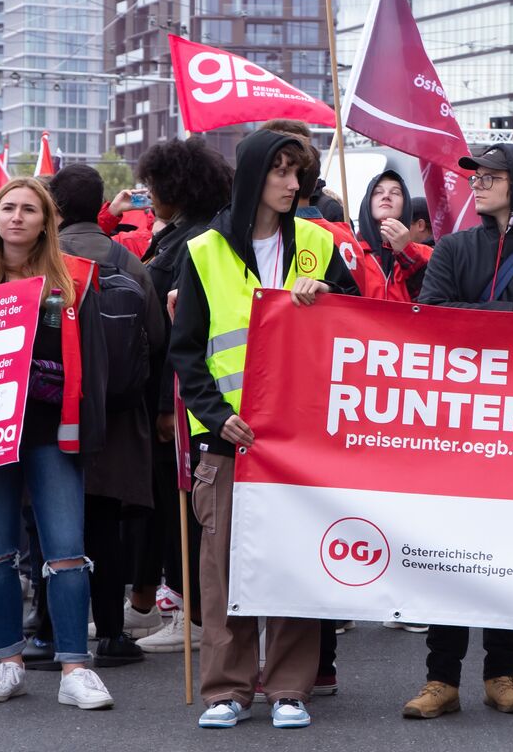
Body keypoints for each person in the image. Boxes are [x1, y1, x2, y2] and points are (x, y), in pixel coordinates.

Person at [172, 129, 359, 730]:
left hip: (299, 439)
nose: (291, 183)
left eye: (297, 172)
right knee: (222, 567)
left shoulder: (317, 242)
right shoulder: (201, 250)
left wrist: (328, 292)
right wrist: (216, 416)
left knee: (291, 565)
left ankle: (288, 689)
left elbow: (362, 325)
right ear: (254, 175)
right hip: (229, 436)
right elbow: (186, 350)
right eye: (279, 171)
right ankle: (227, 689)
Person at [406, 143, 513, 720]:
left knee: (512, 550)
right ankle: (441, 679)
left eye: (492, 176)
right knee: (449, 552)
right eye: (475, 176)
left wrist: (478, 316)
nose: (478, 183)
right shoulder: (453, 247)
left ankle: (501, 673)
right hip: (457, 422)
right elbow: (432, 319)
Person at [0, 178, 115, 709]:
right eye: (8, 208)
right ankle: (8, 662)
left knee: (67, 552)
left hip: (53, 431)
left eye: (29, 209)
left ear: (47, 220)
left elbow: (94, 363)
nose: (17, 217)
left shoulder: (75, 280)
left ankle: (75, 668)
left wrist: (92, 431)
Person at [50, 165, 167, 669]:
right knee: (104, 522)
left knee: (49, 525)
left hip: (51, 414)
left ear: (53, 207)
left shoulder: (38, 258)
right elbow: (158, 336)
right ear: (103, 202)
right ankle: (112, 634)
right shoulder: (127, 258)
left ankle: (46, 633)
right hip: (117, 416)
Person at [128, 138, 233, 654]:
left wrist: (173, 404)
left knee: (184, 507)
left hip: (181, 394)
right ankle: (179, 600)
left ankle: (191, 614)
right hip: (168, 390)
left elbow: (183, 328)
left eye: (153, 187)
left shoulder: (197, 239)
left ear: (176, 187)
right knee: (173, 506)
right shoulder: (180, 235)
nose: (148, 197)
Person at [355, 170, 433, 302]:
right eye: (378, 192)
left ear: (406, 204)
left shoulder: (427, 254)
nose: (386, 196)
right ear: (367, 202)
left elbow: (432, 303)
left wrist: (406, 252)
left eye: (395, 192)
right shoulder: (351, 254)